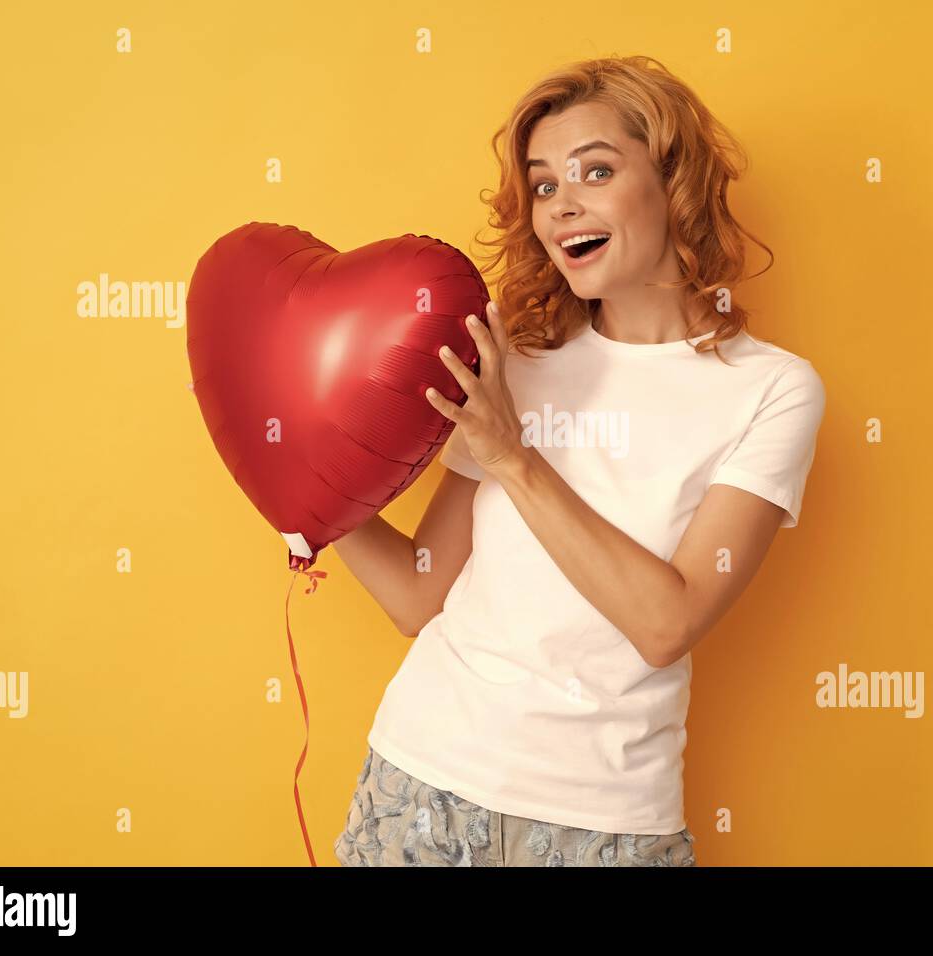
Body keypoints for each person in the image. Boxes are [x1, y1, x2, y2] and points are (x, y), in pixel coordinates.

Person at [332, 55, 826, 867]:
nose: (563, 207)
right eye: (545, 186)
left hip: (602, 825)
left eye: (595, 171)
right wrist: (306, 493)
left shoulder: (771, 391)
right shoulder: (514, 363)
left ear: (674, 183)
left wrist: (515, 458)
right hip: (420, 780)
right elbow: (423, 594)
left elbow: (667, 624)